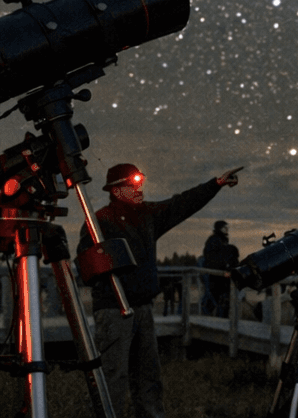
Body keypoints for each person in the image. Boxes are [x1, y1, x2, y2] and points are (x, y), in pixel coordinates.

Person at [81, 161, 242, 418]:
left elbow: (181, 203)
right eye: (132, 185)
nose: (139, 188)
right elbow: (86, 269)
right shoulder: (99, 221)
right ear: (115, 190)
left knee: (148, 376)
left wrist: (216, 184)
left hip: (142, 309)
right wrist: (106, 268)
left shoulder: (147, 215)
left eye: (139, 183)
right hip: (113, 311)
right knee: (113, 376)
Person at [200, 219, 239, 317]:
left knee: (220, 298)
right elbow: (212, 258)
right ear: (219, 228)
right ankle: (213, 318)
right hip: (213, 275)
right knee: (215, 297)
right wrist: (224, 265)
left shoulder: (222, 240)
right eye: (224, 227)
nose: (227, 229)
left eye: (227, 227)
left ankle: (218, 318)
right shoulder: (214, 240)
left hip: (220, 274)